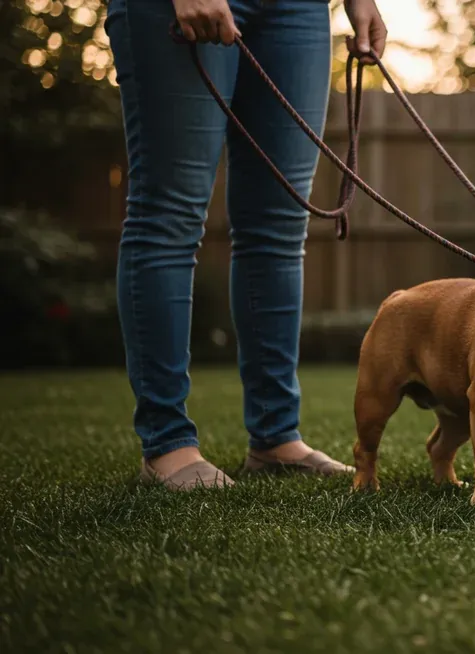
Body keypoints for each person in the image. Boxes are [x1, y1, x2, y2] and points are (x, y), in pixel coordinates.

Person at [105, 0, 387, 490]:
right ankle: (167, 444)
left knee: (280, 226)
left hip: (296, 10)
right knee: (169, 214)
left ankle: (276, 437)